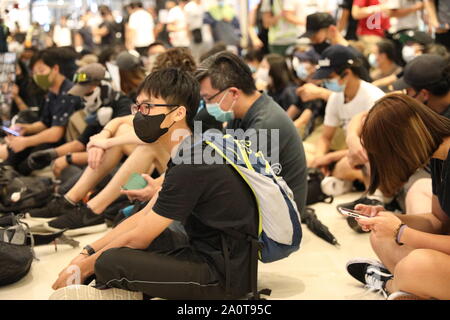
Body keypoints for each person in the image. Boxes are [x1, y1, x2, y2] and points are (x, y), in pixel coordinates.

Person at [49, 67, 259, 300]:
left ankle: (124, 291)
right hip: (212, 255)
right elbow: (143, 217)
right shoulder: (190, 151)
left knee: (111, 260)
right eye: (138, 106)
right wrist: (87, 252)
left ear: (178, 113)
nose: (140, 114)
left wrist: (84, 267)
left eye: (148, 107)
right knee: (131, 234)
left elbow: (140, 237)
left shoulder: (193, 162)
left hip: (223, 277)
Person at [29, 49, 197, 236]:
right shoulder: (129, 102)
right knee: (123, 144)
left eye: (89, 91)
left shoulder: (138, 103)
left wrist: (71, 156)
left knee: (141, 148)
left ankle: (87, 207)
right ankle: (75, 203)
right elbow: (101, 133)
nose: (84, 96)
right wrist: (103, 136)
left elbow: (155, 141)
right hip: (144, 169)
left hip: (156, 173)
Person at [345, 93, 450, 300]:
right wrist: (390, 221)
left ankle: (392, 283)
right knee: (380, 237)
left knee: (416, 265)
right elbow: (437, 221)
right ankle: (411, 285)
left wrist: (402, 233)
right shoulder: (439, 156)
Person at [195, 51, 308, 219]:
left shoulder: (265, 124)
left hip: (276, 222)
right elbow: (219, 160)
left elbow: (230, 182)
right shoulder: (241, 113)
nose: (207, 105)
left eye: (208, 99)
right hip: (260, 203)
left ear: (233, 93)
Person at [25, 63, 132, 178]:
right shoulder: (99, 110)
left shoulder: (123, 107)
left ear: (105, 86)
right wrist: (51, 154)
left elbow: (114, 153)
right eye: (82, 94)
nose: (84, 97)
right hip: (100, 162)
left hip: (124, 167)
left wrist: (69, 158)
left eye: (88, 92)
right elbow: (80, 143)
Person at [309, 45, 385, 192]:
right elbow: (326, 137)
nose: (325, 82)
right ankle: (342, 179)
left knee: (344, 166)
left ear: (347, 73)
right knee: (306, 156)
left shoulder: (372, 97)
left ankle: (376, 188)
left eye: (329, 77)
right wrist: (319, 160)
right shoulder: (336, 98)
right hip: (351, 153)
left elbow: (369, 147)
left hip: (373, 155)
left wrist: (329, 158)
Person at [0, 48, 83, 175]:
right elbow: (45, 123)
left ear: (55, 69)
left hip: (65, 144)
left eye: (41, 71)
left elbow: (57, 133)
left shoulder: (68, 93)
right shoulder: (51, 93)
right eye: (34, 73)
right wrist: (25, 128)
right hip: (49, 140)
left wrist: (26, 142)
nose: (38, 76)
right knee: (15, 152)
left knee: (25, 162)